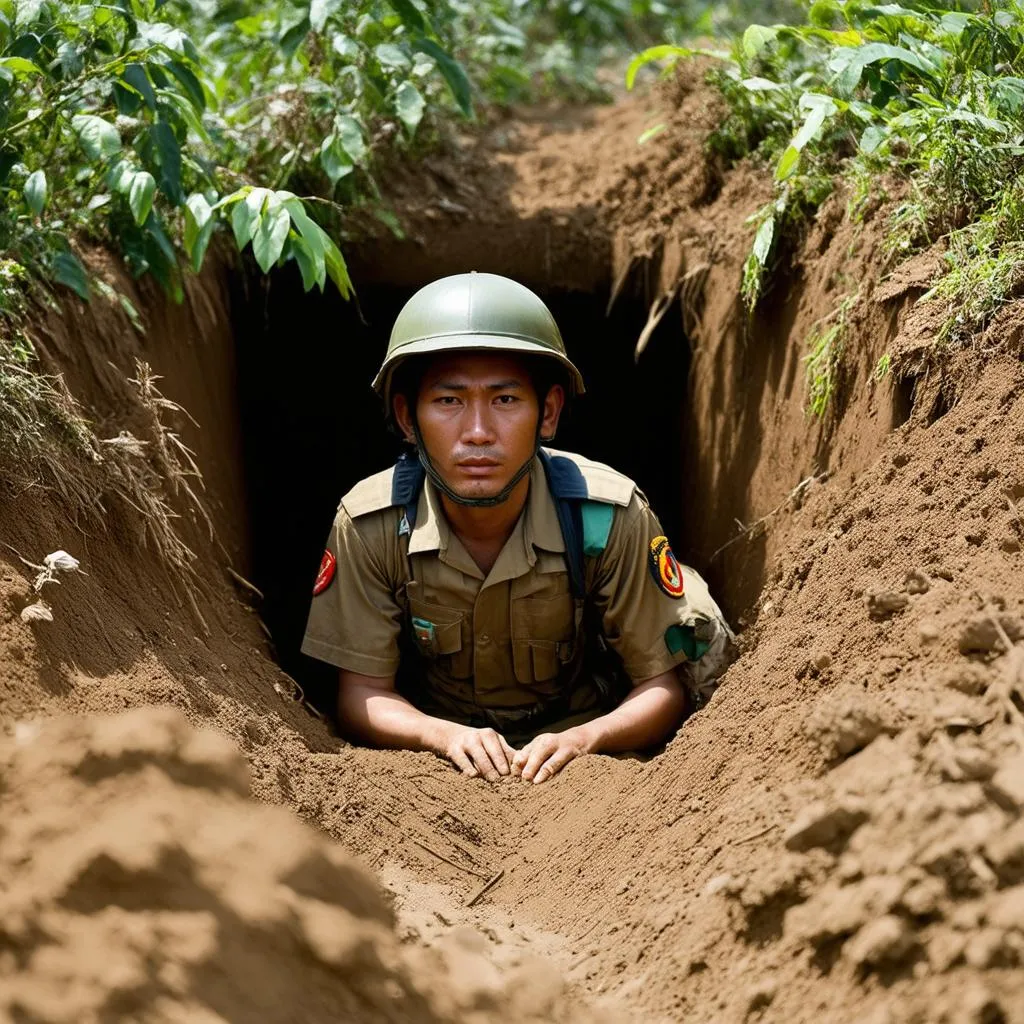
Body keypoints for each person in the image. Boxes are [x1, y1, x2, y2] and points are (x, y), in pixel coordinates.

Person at [301, 272, 734, 784]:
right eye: (448, 401)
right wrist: (443, 736)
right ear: (407, 419)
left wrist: (584, 739)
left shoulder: (604, 515)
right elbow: (361, 693)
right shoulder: (372, 524)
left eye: (505, 400)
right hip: (437, 753)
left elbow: (662, 686)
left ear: (547, 413)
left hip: (581, 746)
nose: (478, 432)